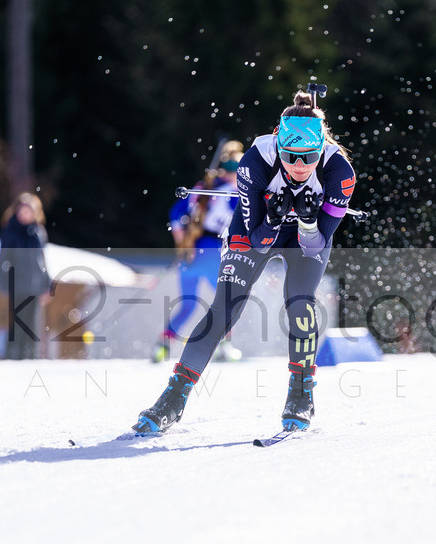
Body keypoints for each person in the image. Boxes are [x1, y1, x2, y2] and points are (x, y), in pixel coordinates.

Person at [133, 88, 357, 434]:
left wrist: (309, 221)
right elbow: (257, 240)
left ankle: (300, 394)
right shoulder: (255, 162)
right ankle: (173, 398)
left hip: (305, 238)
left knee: (299, 302)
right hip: (259, 228)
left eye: (308, 157)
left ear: (321, 150)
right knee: (223, 308)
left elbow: (315, 246)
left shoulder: (339, 172)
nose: (300, 166)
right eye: (291, 156)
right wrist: (273, 217)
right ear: (279, 146)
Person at [152, 140, 245, 363]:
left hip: (190, 252)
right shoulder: (231, 192)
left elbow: (175, 213)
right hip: (213, 249)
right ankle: (224, 346)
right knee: (227, 300)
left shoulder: (202, 188)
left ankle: (162, 346)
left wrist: (183, 241)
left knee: (188, 304)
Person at [0, 193, 51, 360]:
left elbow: (42, 261)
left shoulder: (38, 232)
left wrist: (47, 284)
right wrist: (3, 283)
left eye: (29, 212)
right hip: (17, 285)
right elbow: (2, 261)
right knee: (18, 324)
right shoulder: (10, 231)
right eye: (22, 211)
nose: (25, 215)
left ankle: (30, 356)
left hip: (35, 286)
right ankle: (13, 356)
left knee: (32, 324)